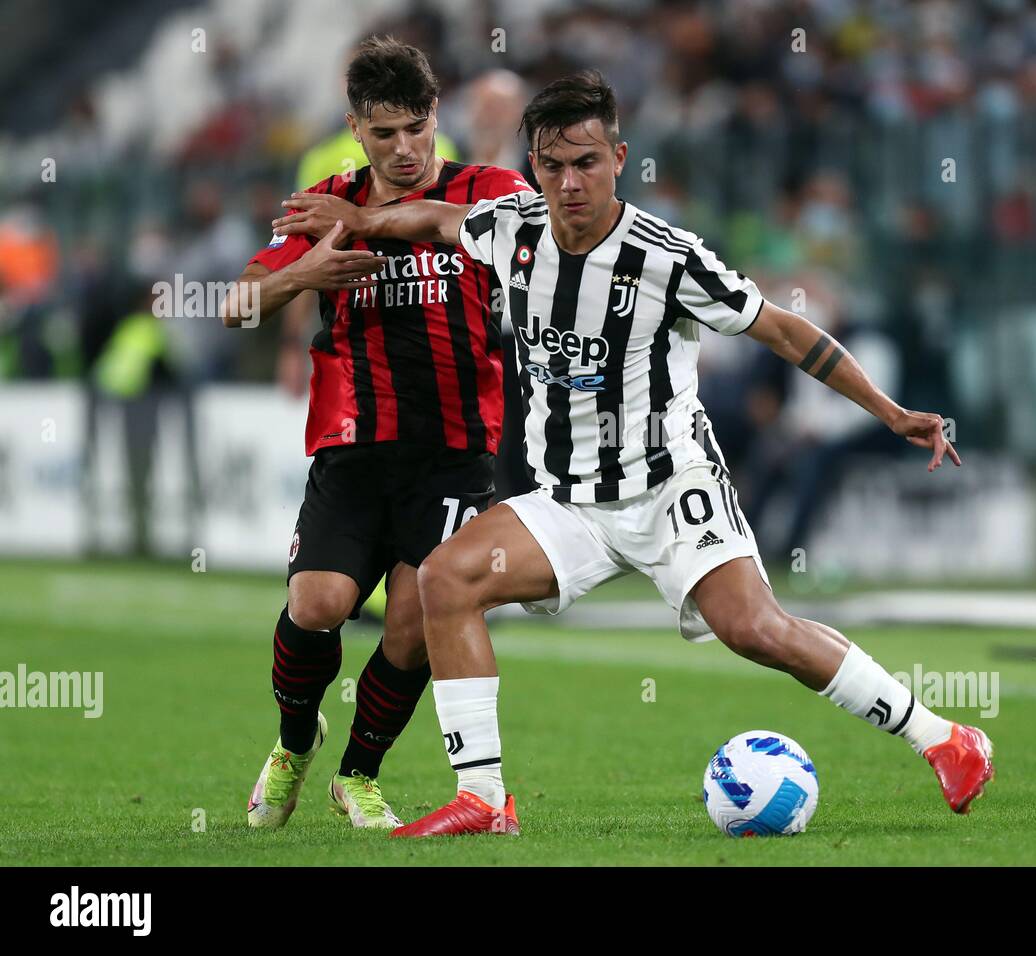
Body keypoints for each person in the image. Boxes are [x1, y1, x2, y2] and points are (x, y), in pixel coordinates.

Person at [272, 71, 992, 839]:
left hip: (669, 486)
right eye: (551, 166)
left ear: (619, 157)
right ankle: (484, 799)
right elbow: (435, 219)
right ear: (534, 169)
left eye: (586, 162)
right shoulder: (510, 226)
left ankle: (945, 738)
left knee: (757, 630)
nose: (569, 182)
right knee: (445, 580)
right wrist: (360, 217)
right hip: (570, 501)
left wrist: (889, 411)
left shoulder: (668, 257)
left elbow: (784, 330)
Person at [220, 35, 531, 829]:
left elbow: (523, 234)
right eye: (384, 132)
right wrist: (305, 276)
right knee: (319, 603)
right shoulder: (323, 202)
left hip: (456, 452)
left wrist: (371, 224)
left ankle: (357, 773)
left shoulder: (484, 188)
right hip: (353, 444)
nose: (404, 148)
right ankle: (295, 743)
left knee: (415, 618)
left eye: (417, 127)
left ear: (437, 118)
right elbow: (236, 302)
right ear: (356, 127)